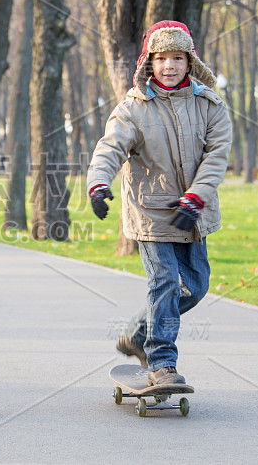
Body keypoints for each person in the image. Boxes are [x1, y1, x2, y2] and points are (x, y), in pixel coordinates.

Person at [86, 20, 232, 386]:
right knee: (165, 282)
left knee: (194, 287)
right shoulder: (133, 108)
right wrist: (98, 184)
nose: (169, 66)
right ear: (149, 62)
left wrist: (196, 198)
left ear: (190, 61)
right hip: (150, 213)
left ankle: (137, 334)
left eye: (177, 58)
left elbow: (216, 156)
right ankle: (162, 362)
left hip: (192, 213)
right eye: (162, 57)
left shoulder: (209, 105)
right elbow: (110, 148)